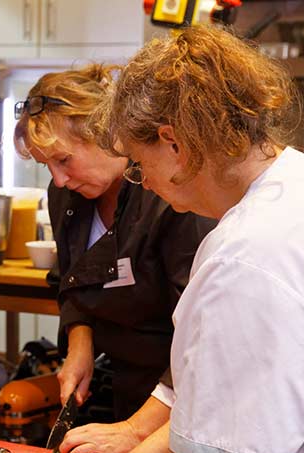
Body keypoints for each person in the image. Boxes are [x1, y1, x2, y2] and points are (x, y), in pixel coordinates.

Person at [61, 24, 304, 453]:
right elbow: (223, 402)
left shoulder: (251, 256)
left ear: (174, 143)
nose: (141, 180)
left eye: (138, 161)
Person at [14, 65, 214, 428]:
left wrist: (137, 434)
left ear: (105, 134)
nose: (59, 180)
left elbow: (204, 335)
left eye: (63, 160)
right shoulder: (67, 198)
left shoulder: (170, 200)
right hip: (118, 383)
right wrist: (80, 342)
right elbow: (71, 282)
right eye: (47, 166)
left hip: (180, 393)